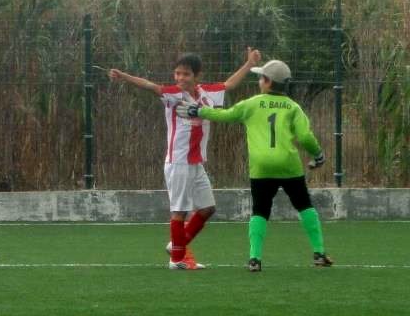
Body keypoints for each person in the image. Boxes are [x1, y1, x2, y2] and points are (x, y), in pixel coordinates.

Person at [109, 48, 261, 269]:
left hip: (196, 162)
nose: (180, 78)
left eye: (186, 74)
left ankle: (176, 246)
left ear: (197, 76)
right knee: (179, 211)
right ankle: (177, 259)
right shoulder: (173, 95)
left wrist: (249, 64)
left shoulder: (207, 93)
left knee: (207, 208)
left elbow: (229, 84)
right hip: (178, 161)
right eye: (177, 73)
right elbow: (150, 86)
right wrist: (123, 76)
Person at [176, 59, 333, 272]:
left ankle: (254, 258)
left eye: (261, 78)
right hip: (289, 165)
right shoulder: (293, 107)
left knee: (260, 210)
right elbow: (305, 136)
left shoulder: (252, 104)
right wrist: (318, 155)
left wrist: (199, 111)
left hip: (261, 167)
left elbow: (225, 115)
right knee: (304, 205)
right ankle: (319, 253)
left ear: (267, 82)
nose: (259, 81)